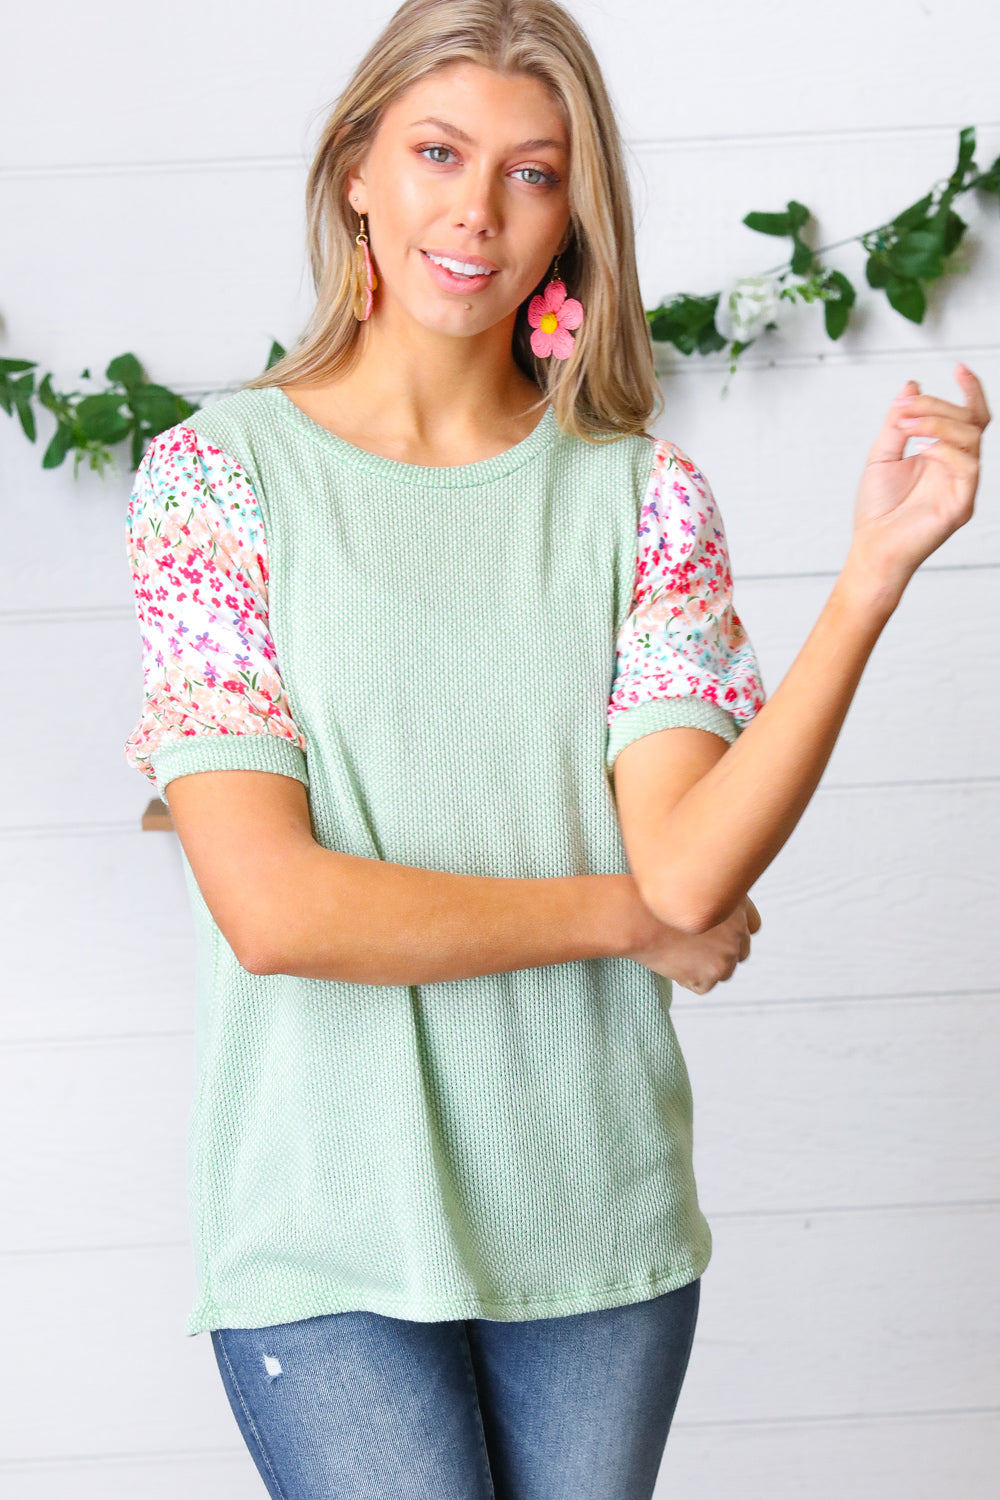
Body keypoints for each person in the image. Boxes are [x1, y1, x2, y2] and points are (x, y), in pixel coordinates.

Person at [122, 1, 989, 1495]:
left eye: (531, 172)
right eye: (438, 153)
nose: (479, 209)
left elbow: (690, 868)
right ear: (356, 171)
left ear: (572, 214)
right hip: (323, 1219)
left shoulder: (644, 497)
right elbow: (275, 909)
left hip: (596, 1212)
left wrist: (871, 578)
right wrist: (619, 919)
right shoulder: (215, 482)